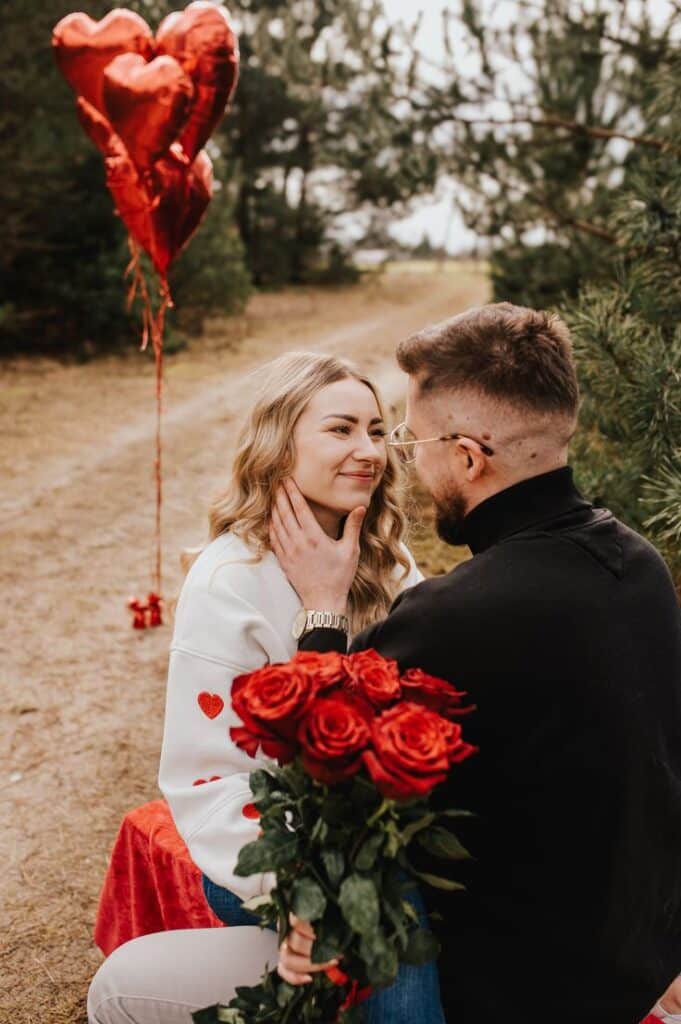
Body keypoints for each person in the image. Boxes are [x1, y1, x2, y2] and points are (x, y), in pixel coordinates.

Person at [273, 303, 681, 1024]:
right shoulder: (638, 565)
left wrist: (322, 611)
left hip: (512, 988)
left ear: (466, 456)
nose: (402, 457)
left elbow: (316, 770)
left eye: (408, 439)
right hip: (636, 953)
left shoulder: (453, 616)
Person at [155, 351, 443, 1023]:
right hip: (268, 849)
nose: (368, 450)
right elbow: (209, 781)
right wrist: (299, 889)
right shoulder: (230, 580)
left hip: (381, 824)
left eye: (375, 430)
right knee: (382, 899)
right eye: (340, 430)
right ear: (279, 445)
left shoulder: (384, 553)